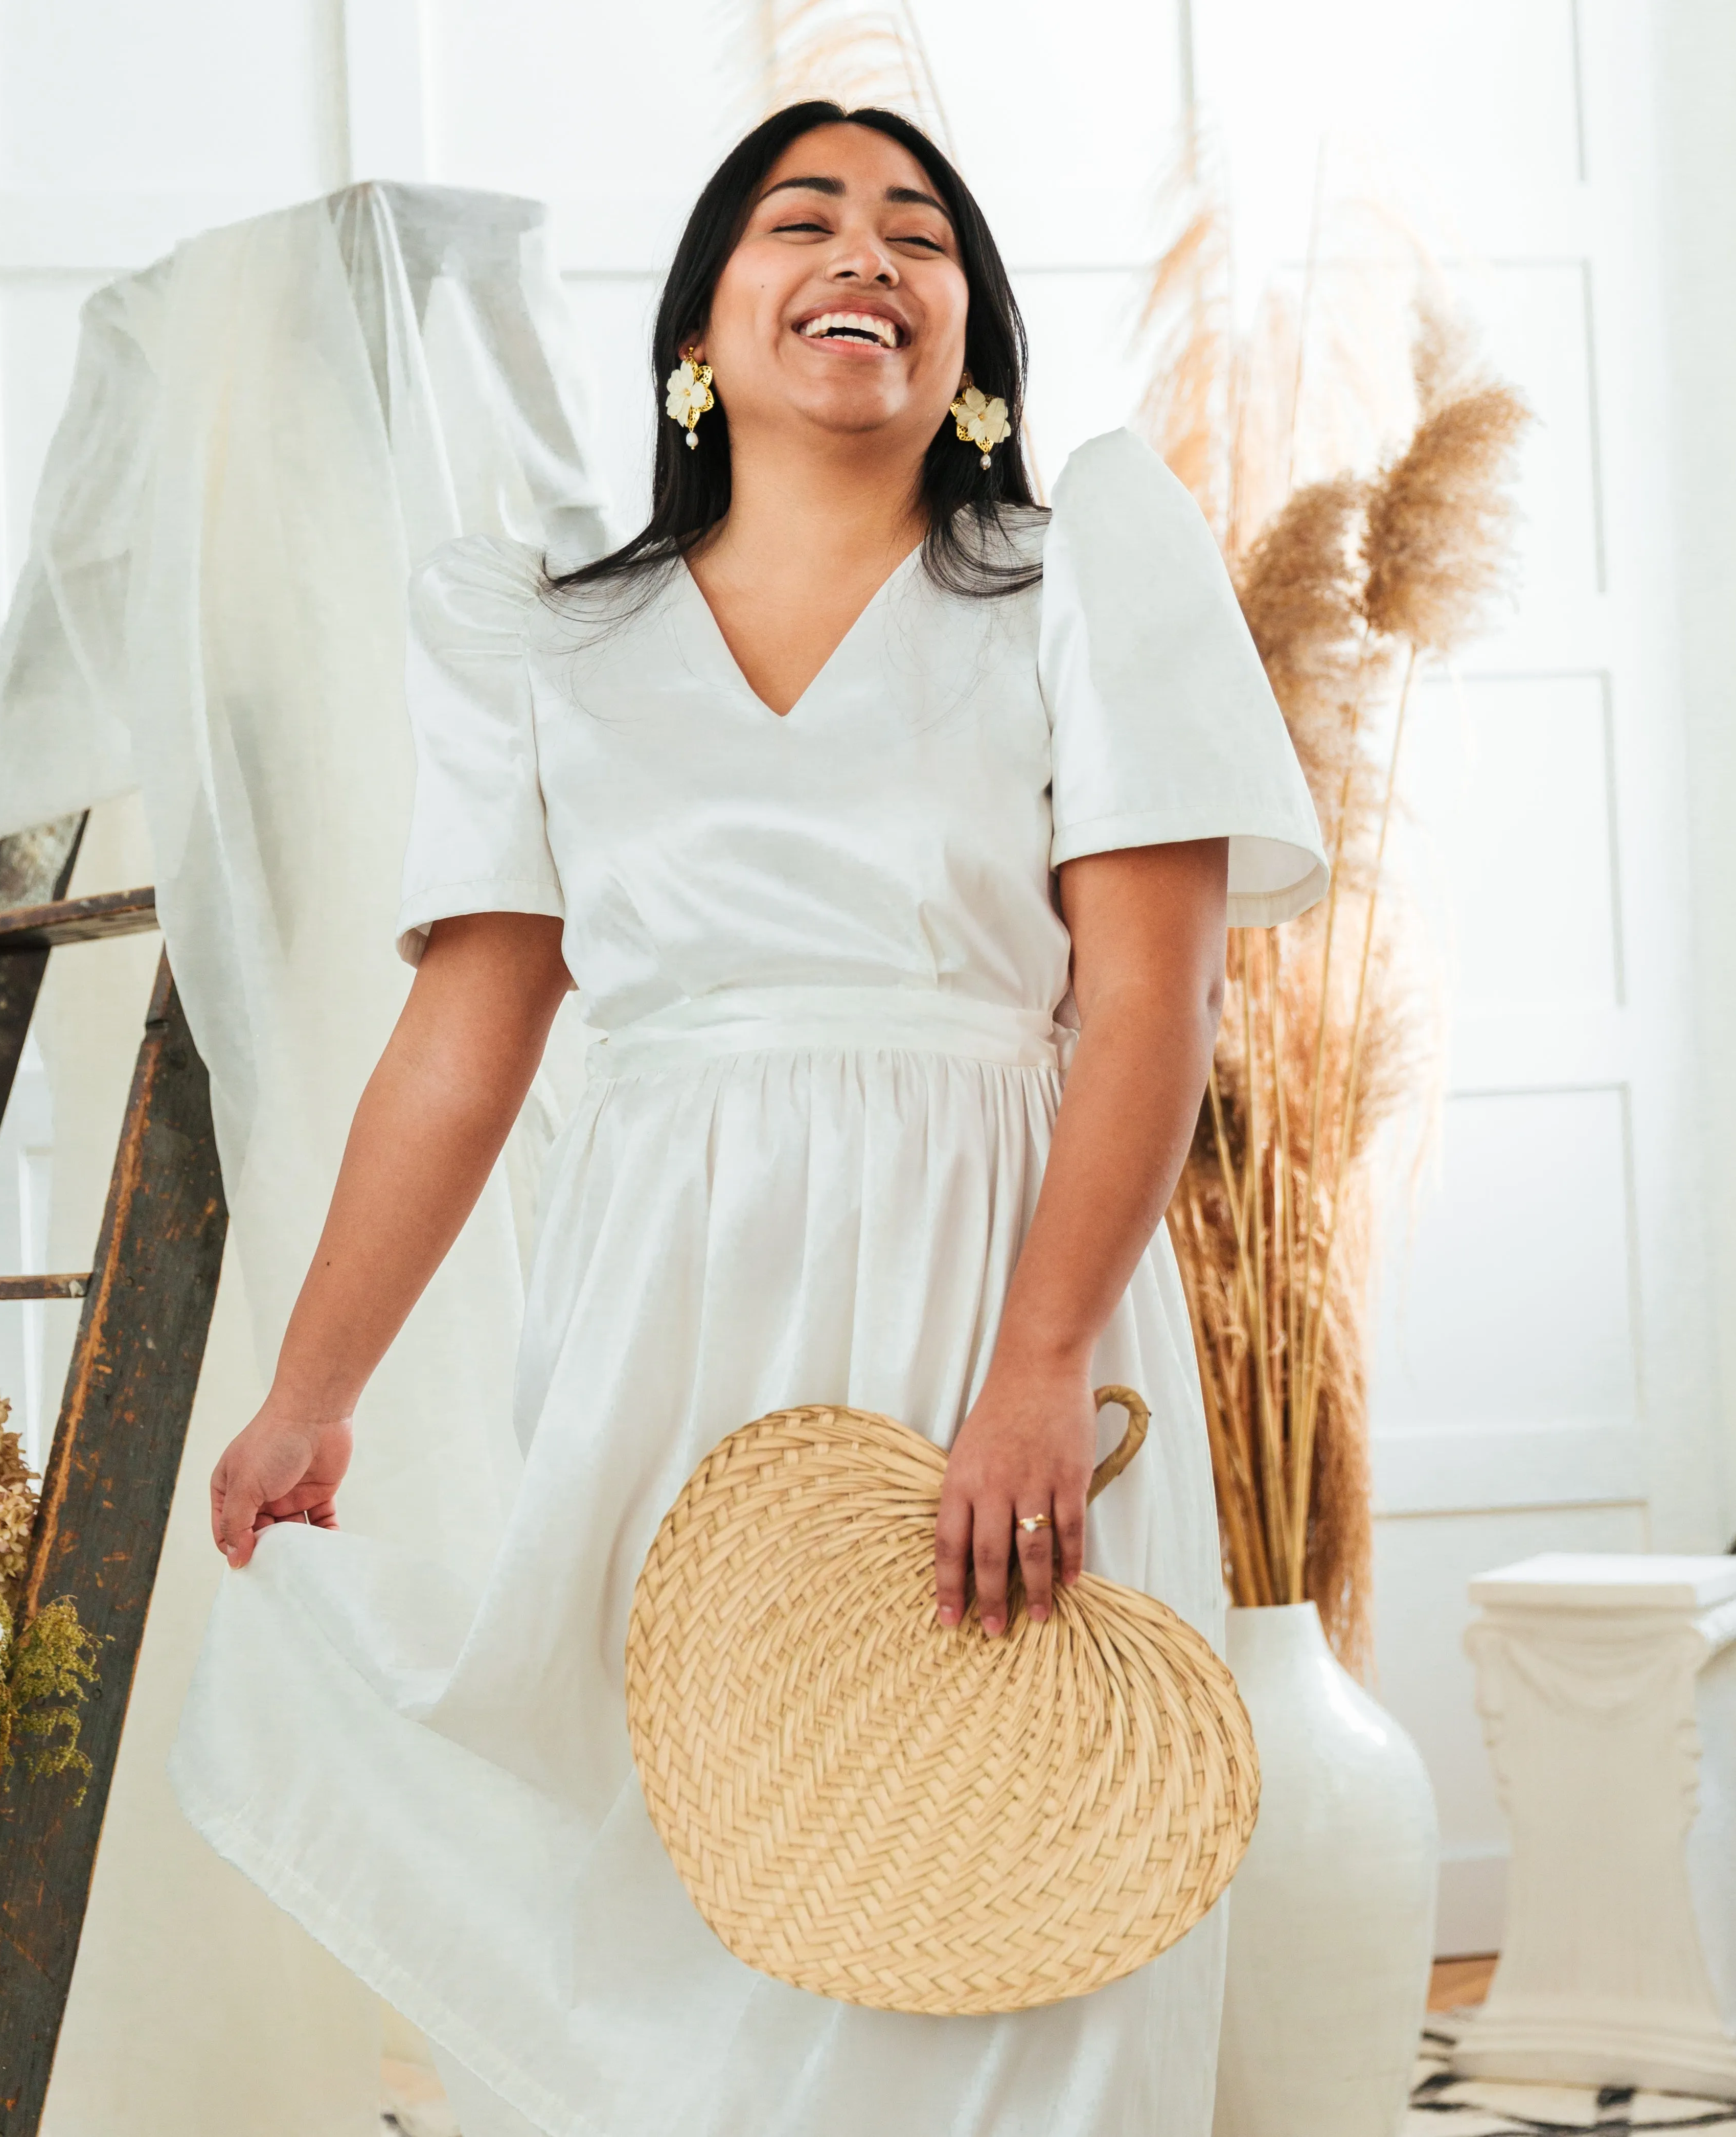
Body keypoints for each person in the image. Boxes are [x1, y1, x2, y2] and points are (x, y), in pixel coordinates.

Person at [174, 99, 1327, 2137]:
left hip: (997, 1283)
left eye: (919, 232)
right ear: (698, 331)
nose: (866, 252)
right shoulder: (543, 628)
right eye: (802, 219)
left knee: (1007, 1870)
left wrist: (1042, 1365)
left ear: (967, 339)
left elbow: (1153, 1003)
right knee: (693, 1873)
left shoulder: (1083, 576)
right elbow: (466, 1033)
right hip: (664, 1332)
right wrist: (311, 1383)